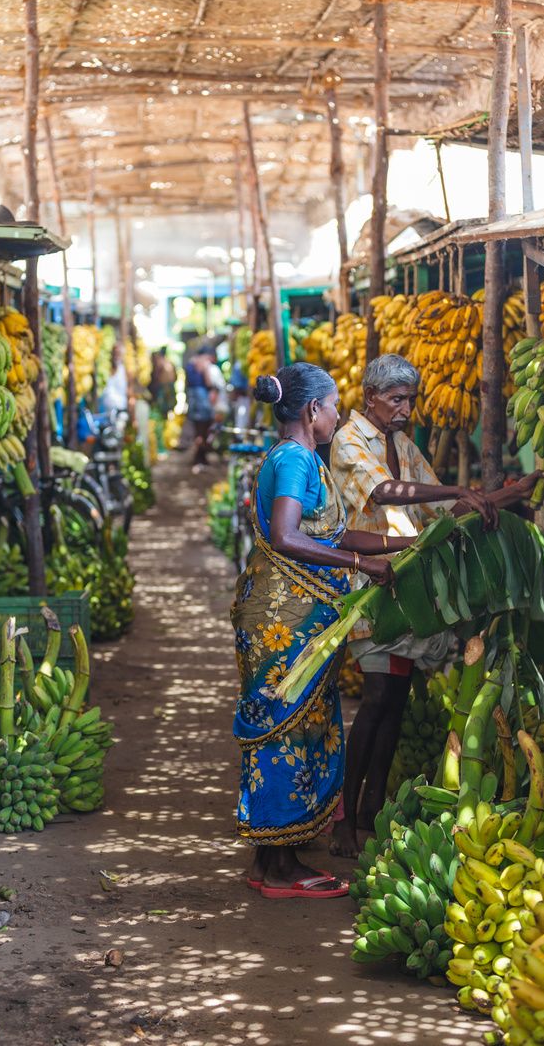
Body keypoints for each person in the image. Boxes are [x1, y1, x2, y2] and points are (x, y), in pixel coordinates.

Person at [329, 353, 544, 857]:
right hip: (368, 584)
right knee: (377, 697)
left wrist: (514, 492)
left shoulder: (403, 445)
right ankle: (343, 821)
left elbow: (449, 509)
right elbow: (383, 492)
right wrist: (455, 487)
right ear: (370, 398)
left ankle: (370, 812)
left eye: (411, 399)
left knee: (395, 704)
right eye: (395, 399)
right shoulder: (348, 440)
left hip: (407, 595)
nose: (405, 408)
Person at [231, 363, 421, 898]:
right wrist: (361, 568)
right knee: (285, 731)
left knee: (291, 728)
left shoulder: (303, 460)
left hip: (296, 622)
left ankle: (271, 862)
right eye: (335, 406)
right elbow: (290, 537)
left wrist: (405, 546)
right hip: (281, 624)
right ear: (313, 410)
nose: (339, 415)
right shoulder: (294, 460)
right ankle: (282, 868)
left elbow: (340, 536)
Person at [185, 344, 217, 469]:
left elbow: (186, 384)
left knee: (197, 429)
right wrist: (213, 390)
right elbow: (208, 382)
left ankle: (200, 457)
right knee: (203, 429)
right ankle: (198, 458)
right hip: (202, 397)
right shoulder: (203, 363)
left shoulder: (190, 363)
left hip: (192, 397)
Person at [102, 343, 130, 417]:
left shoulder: (125, 371)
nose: (116, 356)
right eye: (114, 353)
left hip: (120, 413)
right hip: (106, 413)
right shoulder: (106, 370)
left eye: (118, 353)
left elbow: (130, 393)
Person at [149, 346, 177, 419]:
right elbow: (156, 376)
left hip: (169, 387)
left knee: (170, 406)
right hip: (162, 387)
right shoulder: (160, 362)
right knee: (162, 406)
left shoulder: (169, 362)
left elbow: (175, 374)